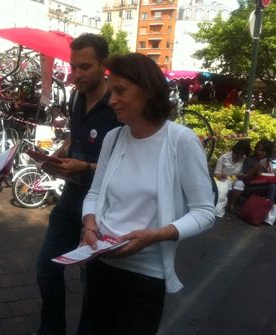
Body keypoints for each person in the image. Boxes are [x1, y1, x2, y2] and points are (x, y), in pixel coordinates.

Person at [81, 53, 215, 335]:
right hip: (100, 264)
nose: (111, 100)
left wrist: (155, 235)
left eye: (120, 90)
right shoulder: (114, 138)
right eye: (110, 90)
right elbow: (94, 193)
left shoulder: (180, 141)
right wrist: (89, 224)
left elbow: (205, 212)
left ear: (149, 90)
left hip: (145, 275)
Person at [36, 33, 120, 335]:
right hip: (72, 195)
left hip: (102, 206)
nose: (77, 74)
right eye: (74, 67)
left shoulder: (118, 105)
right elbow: (76, 135)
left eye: (85, 67)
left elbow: (123, 166)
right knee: (47, 267)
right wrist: (60, 153)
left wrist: (85, 166)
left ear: (104, 65)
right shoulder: (77, 96)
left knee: (94, 282)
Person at [228, 139, 275, 213]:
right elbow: (245, 177)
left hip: (263, 186)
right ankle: (268, 211)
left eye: (262, 151)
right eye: (258, 150)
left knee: (273, 186)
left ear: (267, 152)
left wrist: (268, 165)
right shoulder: (250, 159)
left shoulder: (268, 162)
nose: (259, 152)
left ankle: (270, 211)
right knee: (272, 187)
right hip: (248, 187)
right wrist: (255, 170)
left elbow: (271, 176)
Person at [213, 139, 251, 217]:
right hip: (224, 178)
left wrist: (242, 175)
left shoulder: (244, 159)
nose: (240, 156)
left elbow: (245, 173)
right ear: (234, 150)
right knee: (225, 186)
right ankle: (219, 206)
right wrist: (221, 176)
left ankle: (231, 205)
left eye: (242, 154)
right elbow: (216, 173)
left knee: (240, 185)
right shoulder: (224, 157)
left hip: (237, 178)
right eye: (238, 153)